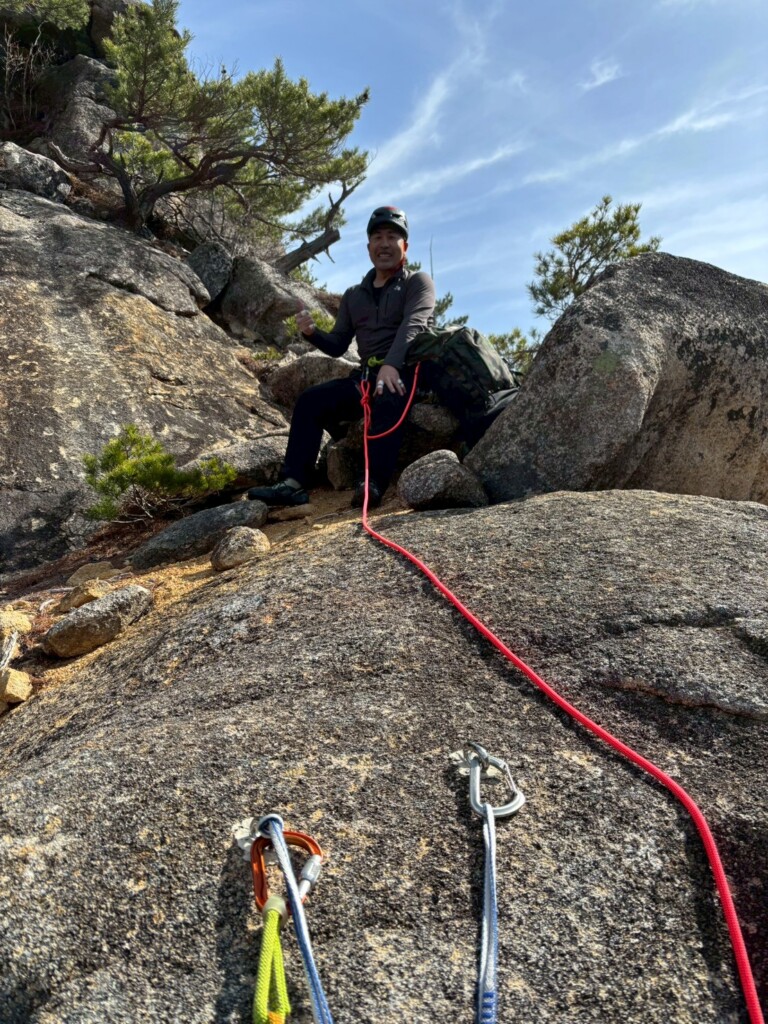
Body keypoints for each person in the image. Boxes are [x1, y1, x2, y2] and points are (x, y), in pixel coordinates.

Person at [248, 206, 436, 508]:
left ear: (405, 247)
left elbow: (414, 324)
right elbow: (338, 344)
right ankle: (293, 483)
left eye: (392, 237)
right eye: (377, 237)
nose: (384, 244)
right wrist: (312, 334)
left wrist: (391, 364)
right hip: (366, 376)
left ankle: (372, 484)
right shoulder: (354, 295)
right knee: (311, 401)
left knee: (388, 394)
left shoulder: (418, 283)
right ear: (368, 247)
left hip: (408, 370)